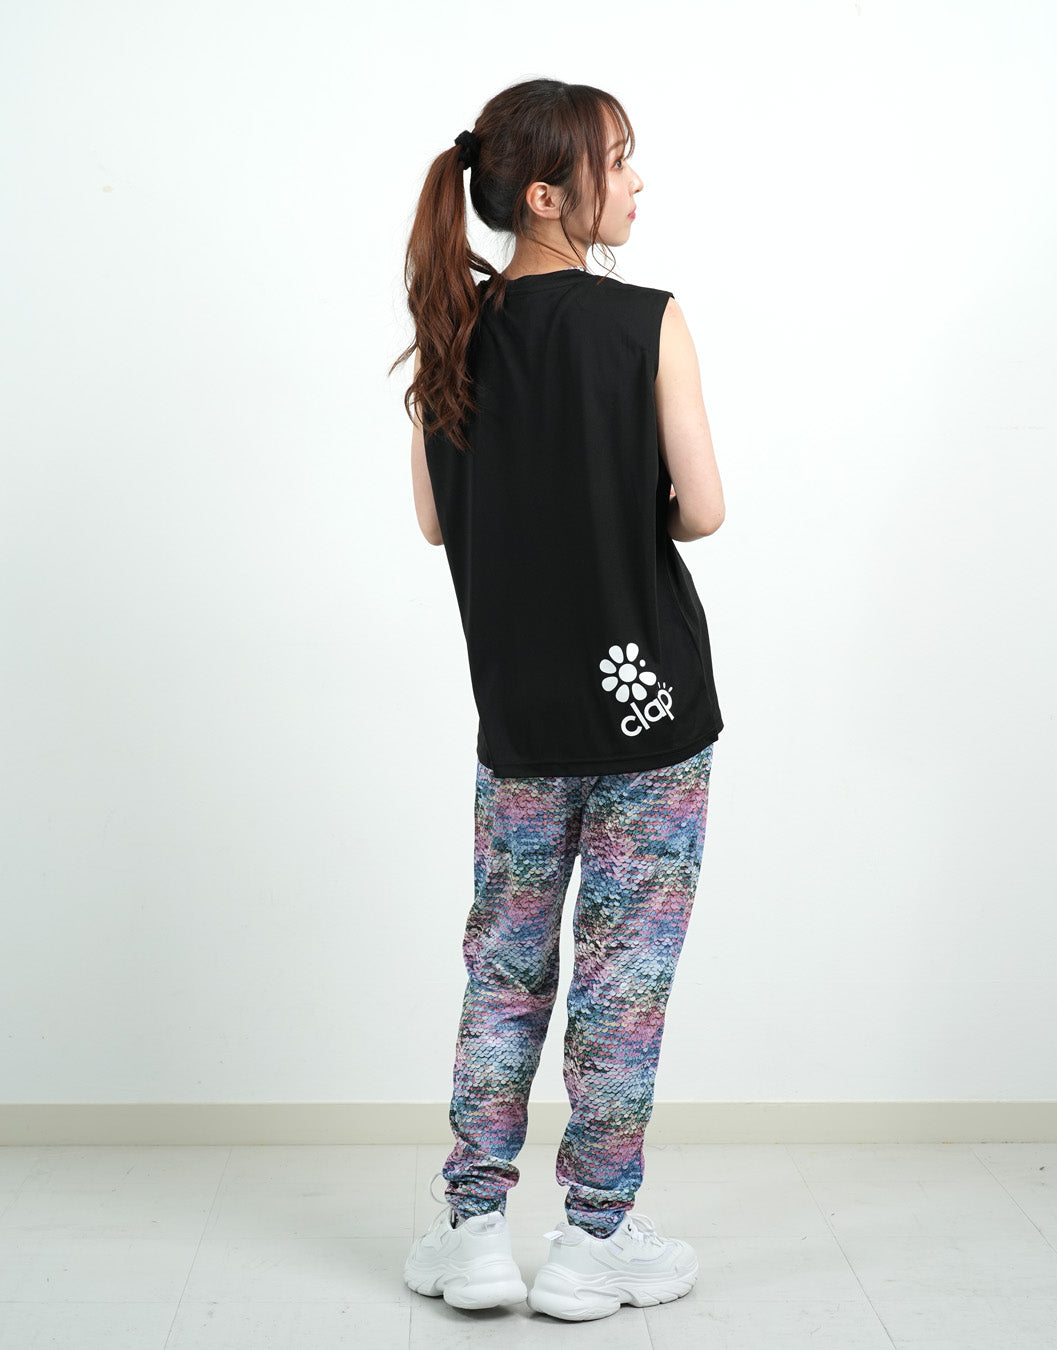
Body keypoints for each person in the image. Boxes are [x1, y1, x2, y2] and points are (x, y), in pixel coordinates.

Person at [389, 77, 726, 1323]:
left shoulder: (451, 329)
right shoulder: (648, 321)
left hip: (522, 716)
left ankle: (475, 1229)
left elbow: (437, 522)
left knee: (505, 969)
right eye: (618, 161)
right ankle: (594, 1241)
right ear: (548, 195)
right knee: (623, 981)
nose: (636, 182)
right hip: (651, 717)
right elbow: (703, 508)